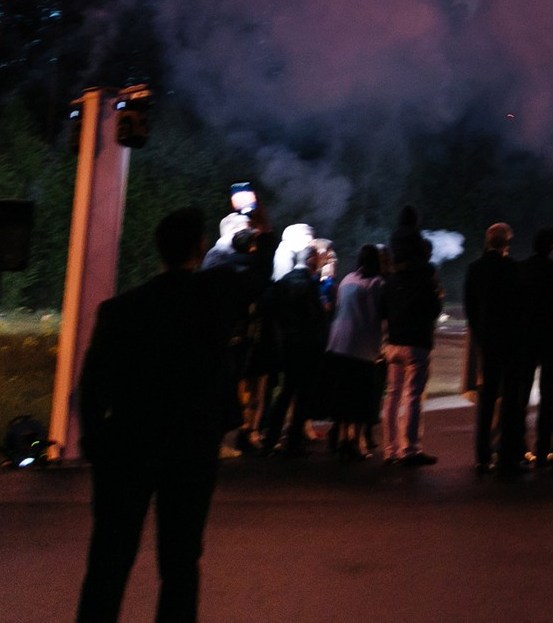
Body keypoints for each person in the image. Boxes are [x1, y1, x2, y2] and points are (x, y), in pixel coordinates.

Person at [76, 206, 273, 623]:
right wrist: (264, 233)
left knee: (109, 563)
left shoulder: (120, 310)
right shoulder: (217, 295)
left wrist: (96, 444)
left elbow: (92, 387)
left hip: (128, 447)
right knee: (181, 563)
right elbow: (257, 278)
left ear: (159, 250)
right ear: (200, 248)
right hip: (192, 447)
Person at [463, 222, 528, 474]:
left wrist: (481, 335)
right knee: (510, 399)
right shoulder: (512, 268)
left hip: (487, 342)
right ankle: (507, 455)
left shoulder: (474, 269)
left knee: (487, 398)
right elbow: (521, 306)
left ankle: (482, 454)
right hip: (510, 342)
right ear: (506, 243)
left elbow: (470, 308)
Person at [258, 243, 329, 456]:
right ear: (309, 261)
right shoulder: (308, 284)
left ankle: (271, 438)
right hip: (306, 346)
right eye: (317, 259)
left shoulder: (284, 282)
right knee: (303, 395)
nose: (320, 263)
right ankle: (293, 441)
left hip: (287, 345)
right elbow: (314, 317)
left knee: (286, 392)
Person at [381, 230, 441, 466]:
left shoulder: (393, 278)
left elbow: (383, 309)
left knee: (392, 397)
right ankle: (409, 449)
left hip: (393, 342)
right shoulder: (425, 278)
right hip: (416, 343)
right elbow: (433, 310)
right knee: (413, 397)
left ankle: (390, 449)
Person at [323, 244, 386, 460]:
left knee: (342, 394)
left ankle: (341, 437)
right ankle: (357, 442)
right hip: (363, 346)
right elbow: (379, 315)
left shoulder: (348, 280)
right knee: (361, 397)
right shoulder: (377, 283)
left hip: (338, 343)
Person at [520, 226, 553, 470]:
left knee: (520, 397)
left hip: (527, 338)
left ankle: (521, 449)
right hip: (551, 339)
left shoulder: (522, 269)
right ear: (552, 245)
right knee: (550, 396)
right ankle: (551, 451)